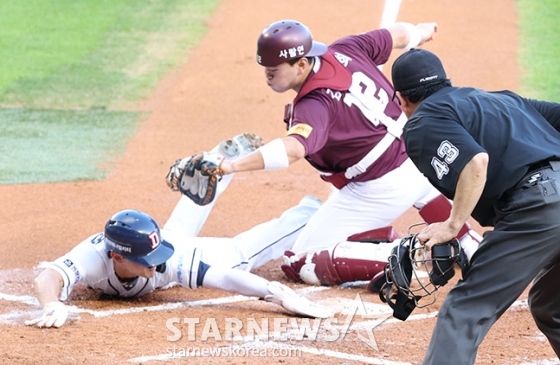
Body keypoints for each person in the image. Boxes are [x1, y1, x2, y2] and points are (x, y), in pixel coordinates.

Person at [182, 19, 481, 285]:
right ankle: (467, 240)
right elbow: (394, 35)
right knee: (417, 187)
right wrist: (419, 31)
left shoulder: (314, 105)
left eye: (274, 70)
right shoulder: (346, 49)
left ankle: (397, 255)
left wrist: (232, 166)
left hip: (380, 186)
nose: (267, 76)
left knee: (299, 261)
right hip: (417, 156)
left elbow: (293, 150)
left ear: (301, 64)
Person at [25, 134, 332, 328]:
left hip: (176, 243)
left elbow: (223, 277)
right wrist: (51, 305)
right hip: (171, 239)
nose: (155, 262)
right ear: (117, 257)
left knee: (237, 257)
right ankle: (217, 162)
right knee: (177, 232)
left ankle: (310, 213)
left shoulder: (165, 259)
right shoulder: (94, 256)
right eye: (147, 258)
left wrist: (272, 292)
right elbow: (48, 277)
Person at [390, 48, 560, 364]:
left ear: (401, 99)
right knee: (552, 305)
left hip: (541, 206)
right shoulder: (503, 100)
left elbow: (475, 161)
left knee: (465, 309)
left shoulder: (424, 120)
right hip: (547, 199)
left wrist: (452, 224)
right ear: (445, 81)